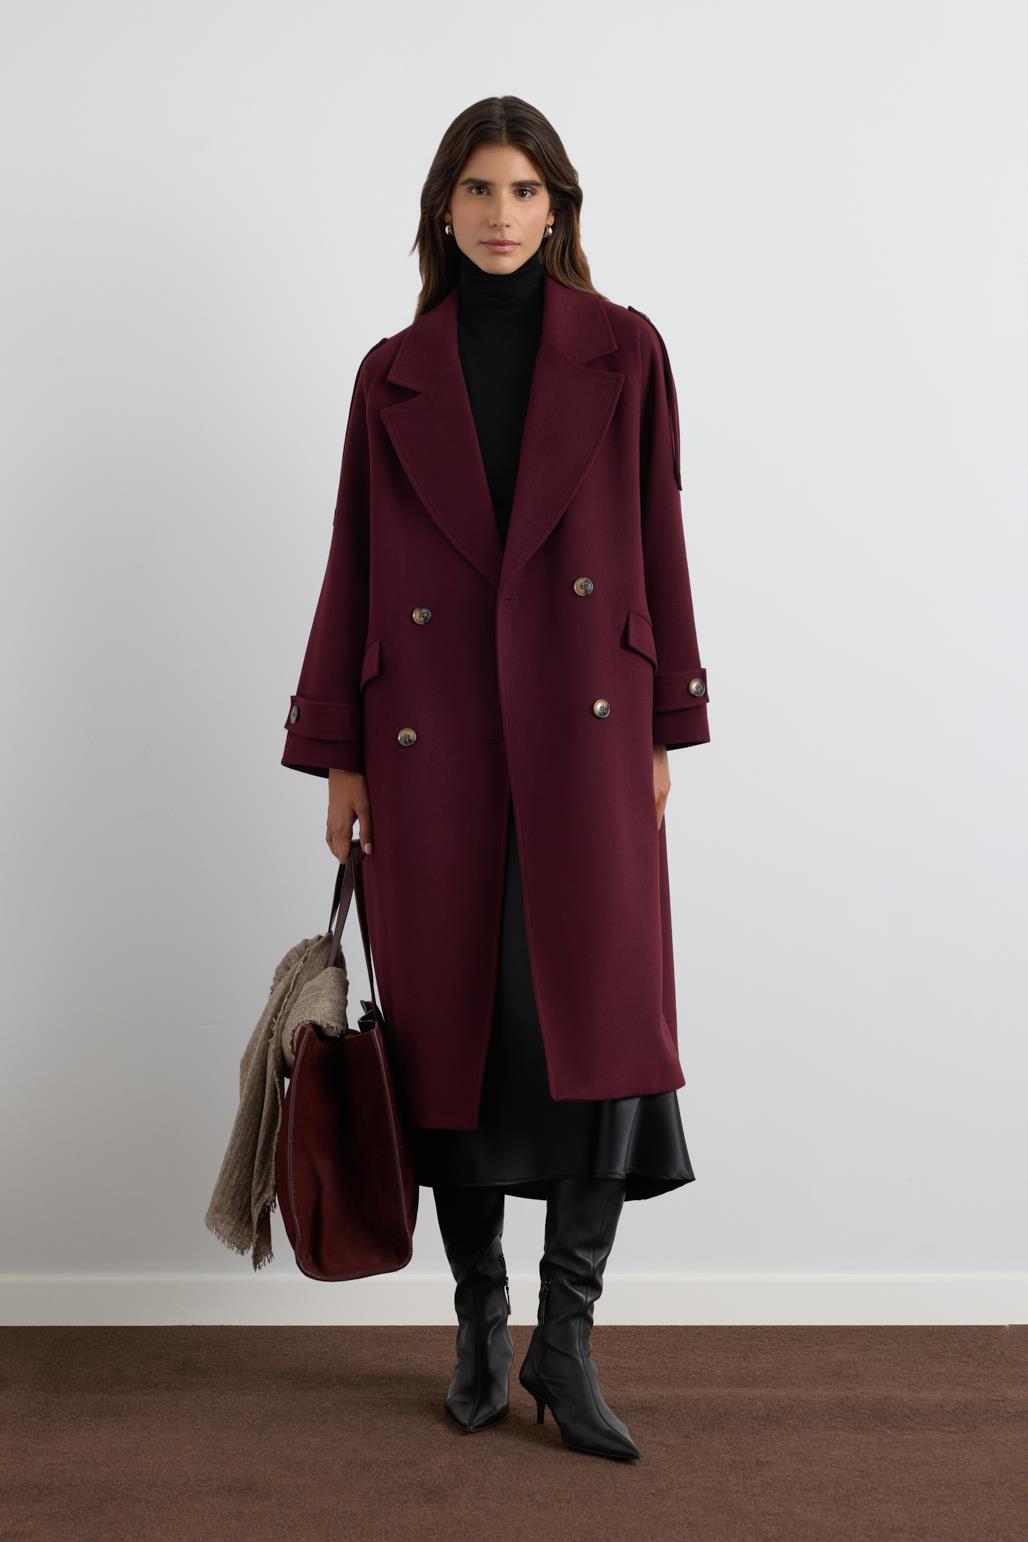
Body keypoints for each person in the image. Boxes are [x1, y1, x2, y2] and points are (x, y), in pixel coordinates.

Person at [281, 96, 711, 1463]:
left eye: (527, 190)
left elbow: (657, 531)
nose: (503, 213)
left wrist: (667, 715)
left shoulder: (626, 351)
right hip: (431, 737)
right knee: (445, 1034)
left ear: (559, 207)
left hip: (591, 726)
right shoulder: (392, 374)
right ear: (443, 208)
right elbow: (353, 558)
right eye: (479, 188)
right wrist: (341, 751)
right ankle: (479, 1317)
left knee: (601, 1030)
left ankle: (564, 1337)